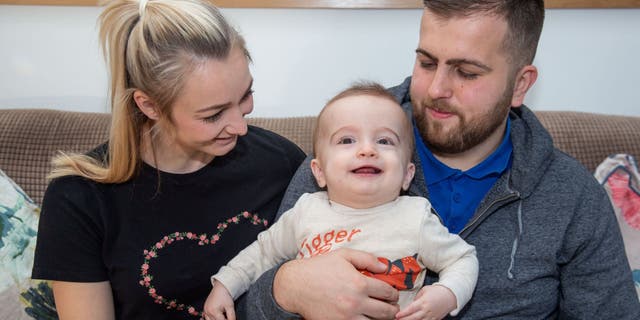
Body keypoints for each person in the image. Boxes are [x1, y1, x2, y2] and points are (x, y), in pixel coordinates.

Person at [240, 0, 640, 319]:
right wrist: (285, 287)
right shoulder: (352, 151)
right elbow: (249, 298)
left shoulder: (571, 197)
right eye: (427, 62)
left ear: (520, 84)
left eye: (466, 73)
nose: (435, 89)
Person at [30, 0, 305, 319]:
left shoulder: (281, 162)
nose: (241, 126)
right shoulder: (78, 198)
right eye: (214, 115)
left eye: (245, 95)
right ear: (150, 106)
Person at [202, 82, 479, 320]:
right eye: (347, 140)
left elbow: (463, 258)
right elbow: (262, 254)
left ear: (407, 175)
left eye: (384, 141)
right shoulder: (306, 212)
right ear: (319, 172)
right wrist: (225, 286)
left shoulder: (415, 217)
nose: (367, 150)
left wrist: (448, 294)